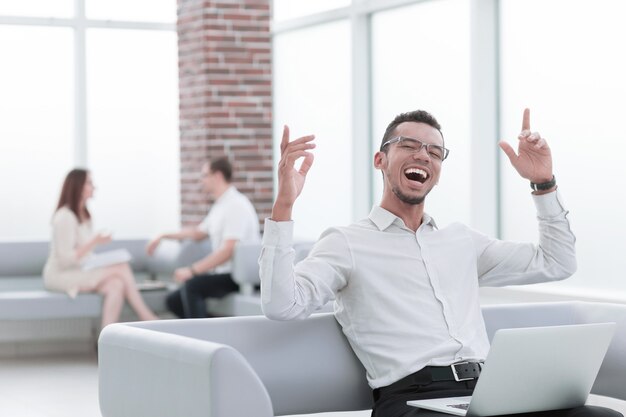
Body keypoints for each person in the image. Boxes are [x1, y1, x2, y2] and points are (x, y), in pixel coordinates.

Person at [259, 110, 621, 417]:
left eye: (434, 151)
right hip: (412, 399)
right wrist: (284, 207)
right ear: (380, 160)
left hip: (490, 392)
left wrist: (543, 183)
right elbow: (282, 304)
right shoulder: (346, 241)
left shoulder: (460, 241)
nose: (423, 156)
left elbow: (558, 262)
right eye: (409, 145)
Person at [43, 169, 158, 330]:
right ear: (78, 187)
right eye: (89, 183)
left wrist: (95, 254)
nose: (94, 187)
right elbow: (64, 261)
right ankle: (147, 317)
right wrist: (93, 242)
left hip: (79, 270)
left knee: (116, 284)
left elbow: (84, 256)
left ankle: (104, 341)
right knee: (121, 267)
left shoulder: (86, 215)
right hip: (60, 276)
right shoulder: (65, 217)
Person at [147, 157, 260, 318]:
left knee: (192, 286)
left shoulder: (236, 205)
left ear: (218, 176)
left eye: (204, 175)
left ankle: (203, 336)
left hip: (238, 276)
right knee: (173, 301)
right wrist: (163, 236)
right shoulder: (220, 205)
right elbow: (197, 233)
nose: (202, 181)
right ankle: (214, 331)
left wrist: (192, 270)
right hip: (224, 274)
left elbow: (228, 250)